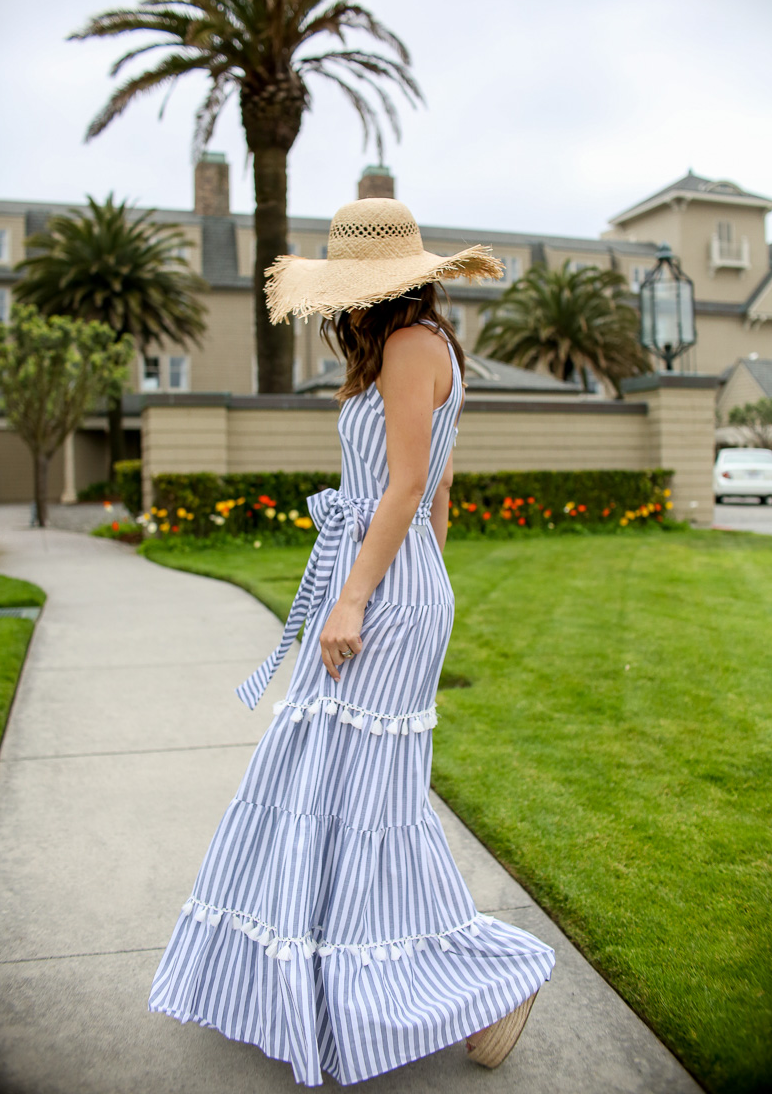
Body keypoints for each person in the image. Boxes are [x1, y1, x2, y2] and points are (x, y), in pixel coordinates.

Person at [148, 197, 556, 1086]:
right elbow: (438, 489)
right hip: (388, 585)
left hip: (379, 593)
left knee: (370, 803)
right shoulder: (416, 349)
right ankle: (331, 986)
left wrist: (369, 596)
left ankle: (491, 978)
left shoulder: (413, 348)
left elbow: (409, 485)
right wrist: (412, 581)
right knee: (330, 786)